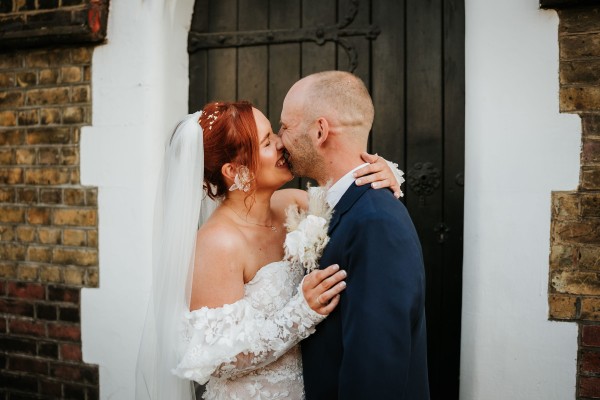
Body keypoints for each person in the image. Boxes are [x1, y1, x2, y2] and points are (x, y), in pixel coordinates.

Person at [135, 100, 404, 400]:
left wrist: (379, 175)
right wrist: (300, 313)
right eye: (266, 142)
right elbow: (217, 359)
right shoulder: (218, 244)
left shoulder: (295, 203)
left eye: (273, 133)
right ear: (235, 170)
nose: (281, 143)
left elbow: (354, 207)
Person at [278, 71, 430, 399]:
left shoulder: (375, 221)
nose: (279, 140)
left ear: (320, 131)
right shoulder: (339, 206)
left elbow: (376, 370)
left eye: (285, 127)